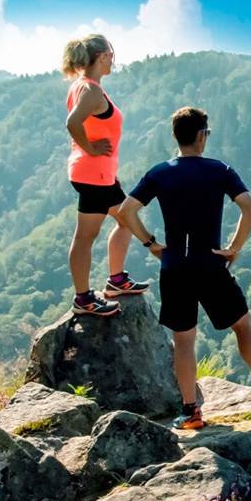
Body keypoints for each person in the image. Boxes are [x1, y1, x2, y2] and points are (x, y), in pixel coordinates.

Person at [116, 106, 251, 428]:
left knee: (184, 341)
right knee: (242, 326)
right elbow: (250, 208)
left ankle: (190, 411)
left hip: (175, 268)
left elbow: (127, 212)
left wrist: (152, 244)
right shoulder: (219, 170)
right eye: (206, 133)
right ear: (201, 136)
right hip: (210, 264)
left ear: (176, 137)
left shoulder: (159, 172)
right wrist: (233, 249)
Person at [62, 33, 149, 317]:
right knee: (86, 236)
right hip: (93, 174)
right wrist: (90, 147)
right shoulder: (92, 90)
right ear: (102, 57)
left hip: (98, 174)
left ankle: (116, 280)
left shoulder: (83, 86)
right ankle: (84, 299)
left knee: (125, 220)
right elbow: (72, 123)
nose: (114, 60)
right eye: (112, 54)